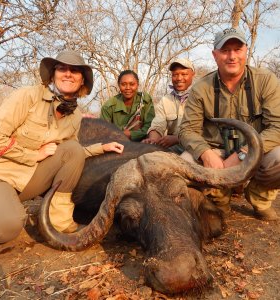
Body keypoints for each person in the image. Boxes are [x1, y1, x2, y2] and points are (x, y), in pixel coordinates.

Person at [0, 50, 124, 245]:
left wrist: (101, 147)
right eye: (62, 68)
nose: (68, 74)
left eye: (74, 71)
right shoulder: (27, 95)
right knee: (7, 229)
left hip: (24, 178)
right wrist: (34, 154)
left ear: (82, 80)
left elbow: (70, 152)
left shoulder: (75, 116)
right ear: (52, 74)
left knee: (72, 149)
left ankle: (59, 221)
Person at [178, 27, 280, 221]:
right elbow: (187, 130)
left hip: (254, 151)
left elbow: (277, 127)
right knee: (185, 164)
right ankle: (218, 201)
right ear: (215, 55)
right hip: (216, 152)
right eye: (225, 51)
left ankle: (259, 197)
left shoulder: (266, 80)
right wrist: (206, 154)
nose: (232, 56)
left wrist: (242, 154)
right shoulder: (200, 88)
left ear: (246, 51)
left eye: (237, 50)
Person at [142, 58, 195, 153]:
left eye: (184, 74)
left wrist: (177, 139)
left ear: (192, 75)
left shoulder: (200, 96)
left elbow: (205, 131)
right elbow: (158, 125)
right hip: (174, 148)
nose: (179, 78)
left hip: (196, 146)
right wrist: (153, 140)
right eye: (175, 75)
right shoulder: (165, 100)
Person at [100, 70, 155, 141]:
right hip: (117, 144)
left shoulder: (145, 100)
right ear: (119, 85)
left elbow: (150, 125)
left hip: (143, 143)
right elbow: (104, 132)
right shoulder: (108, 106)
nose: (128, 88)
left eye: (132, 84)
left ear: (137, 84)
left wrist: (131, 134)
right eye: (123, 84)